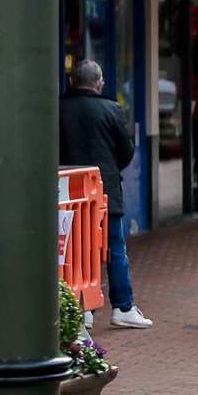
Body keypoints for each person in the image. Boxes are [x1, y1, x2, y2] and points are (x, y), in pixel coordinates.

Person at [59, 60, 152, 328]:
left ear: (71, 82)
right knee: (115, 249)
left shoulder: (58, 109)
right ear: (99, 83)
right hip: (105, 191)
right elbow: (126, 150)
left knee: (75, 250)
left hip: (68, 192)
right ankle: (123, 307)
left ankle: (82, 309)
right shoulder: (111, 109)